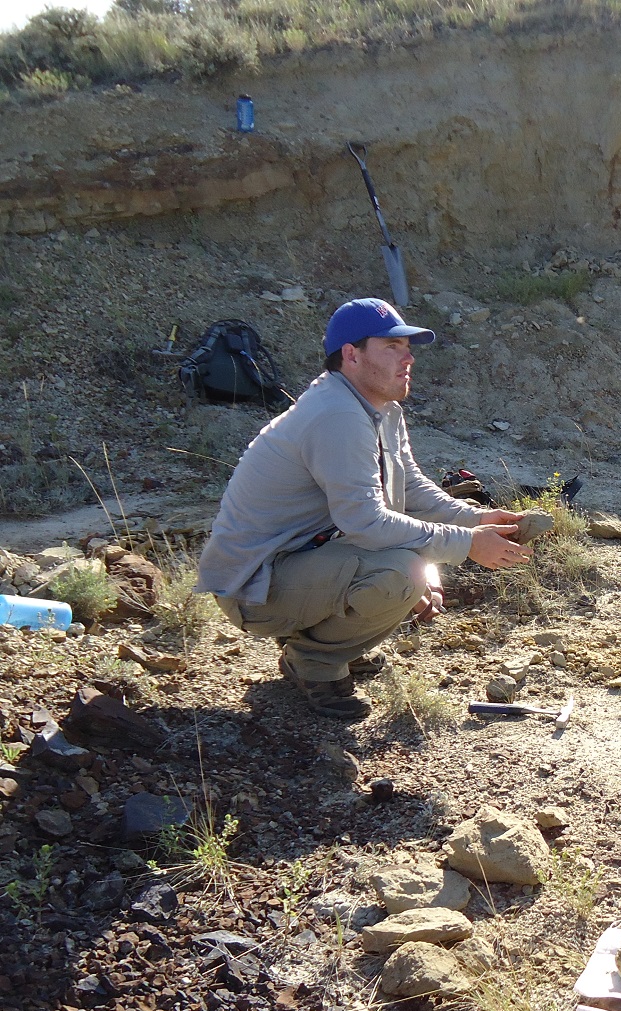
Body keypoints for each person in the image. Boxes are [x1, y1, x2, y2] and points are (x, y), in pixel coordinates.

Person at [195, 298, 532, 720]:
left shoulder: (379, 407)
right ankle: (313, 661)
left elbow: (407, 485)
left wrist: (474, 518)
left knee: (409, 566)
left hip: (293, 565)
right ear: (351, 355)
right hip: (253, 588)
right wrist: (465, 544)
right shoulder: (336, 414)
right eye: (391, 346)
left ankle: (322, 639)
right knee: (403, 572)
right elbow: (365, 522)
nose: (407, 356)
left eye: (407, 346)